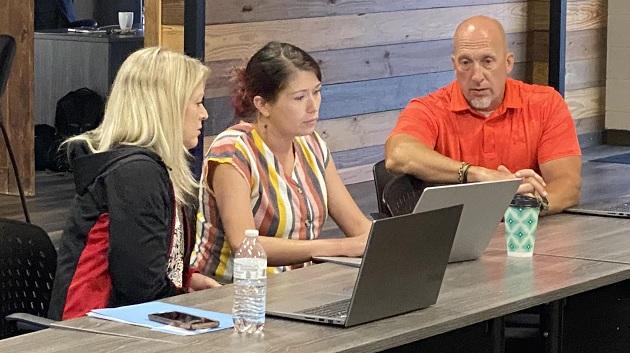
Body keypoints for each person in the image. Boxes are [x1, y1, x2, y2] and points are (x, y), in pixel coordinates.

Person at [49, 47, 221, 321]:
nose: (204, 115)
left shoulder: (148, 168)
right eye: (197, 102)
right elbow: (139, 288)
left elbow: (150, 264)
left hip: (130, 320)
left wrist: (187, 280)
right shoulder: (137, 174)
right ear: (167, 107)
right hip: (98, 331)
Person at [191, 41, 371, 283]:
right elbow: (244, 244)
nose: (313, 106)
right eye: (299, 98)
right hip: (231, 293)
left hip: (296, 289)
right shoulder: (233, 151)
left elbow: (358, 226)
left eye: (316, 92)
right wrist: (336, 247)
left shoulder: (312, 144)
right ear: (262, 104)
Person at [385, 15, 582, 215]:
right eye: (465, 63)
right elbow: (398, 154)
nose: (477, 76)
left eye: (487, 61)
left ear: (508, 63)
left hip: (526, 231)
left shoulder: (546, 103)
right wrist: (479, 175)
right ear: (454, 65)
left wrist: (530, 205)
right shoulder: (429, 108)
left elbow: (567, 184)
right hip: (453, 232)